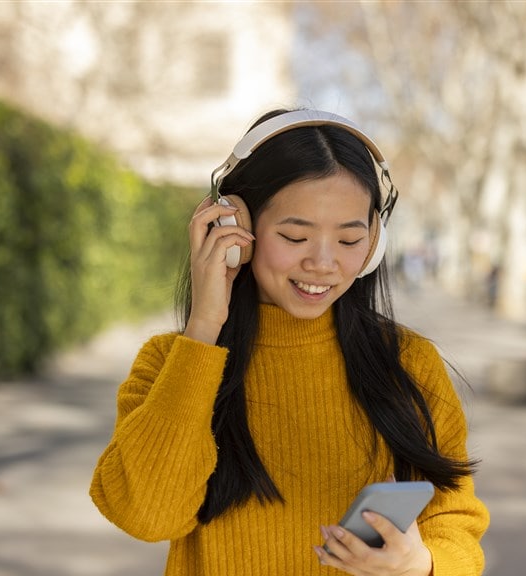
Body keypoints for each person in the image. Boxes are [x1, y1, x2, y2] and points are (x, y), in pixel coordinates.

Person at [89, 109, 489, 576]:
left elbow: (455, 522)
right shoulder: (172, 363)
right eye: (295, 236)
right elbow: (146, 516)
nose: (323, 263)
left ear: (375, 243)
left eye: (349, 240)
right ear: (235, 228)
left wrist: (422, 563)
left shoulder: (409, 362)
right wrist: (204, 328)